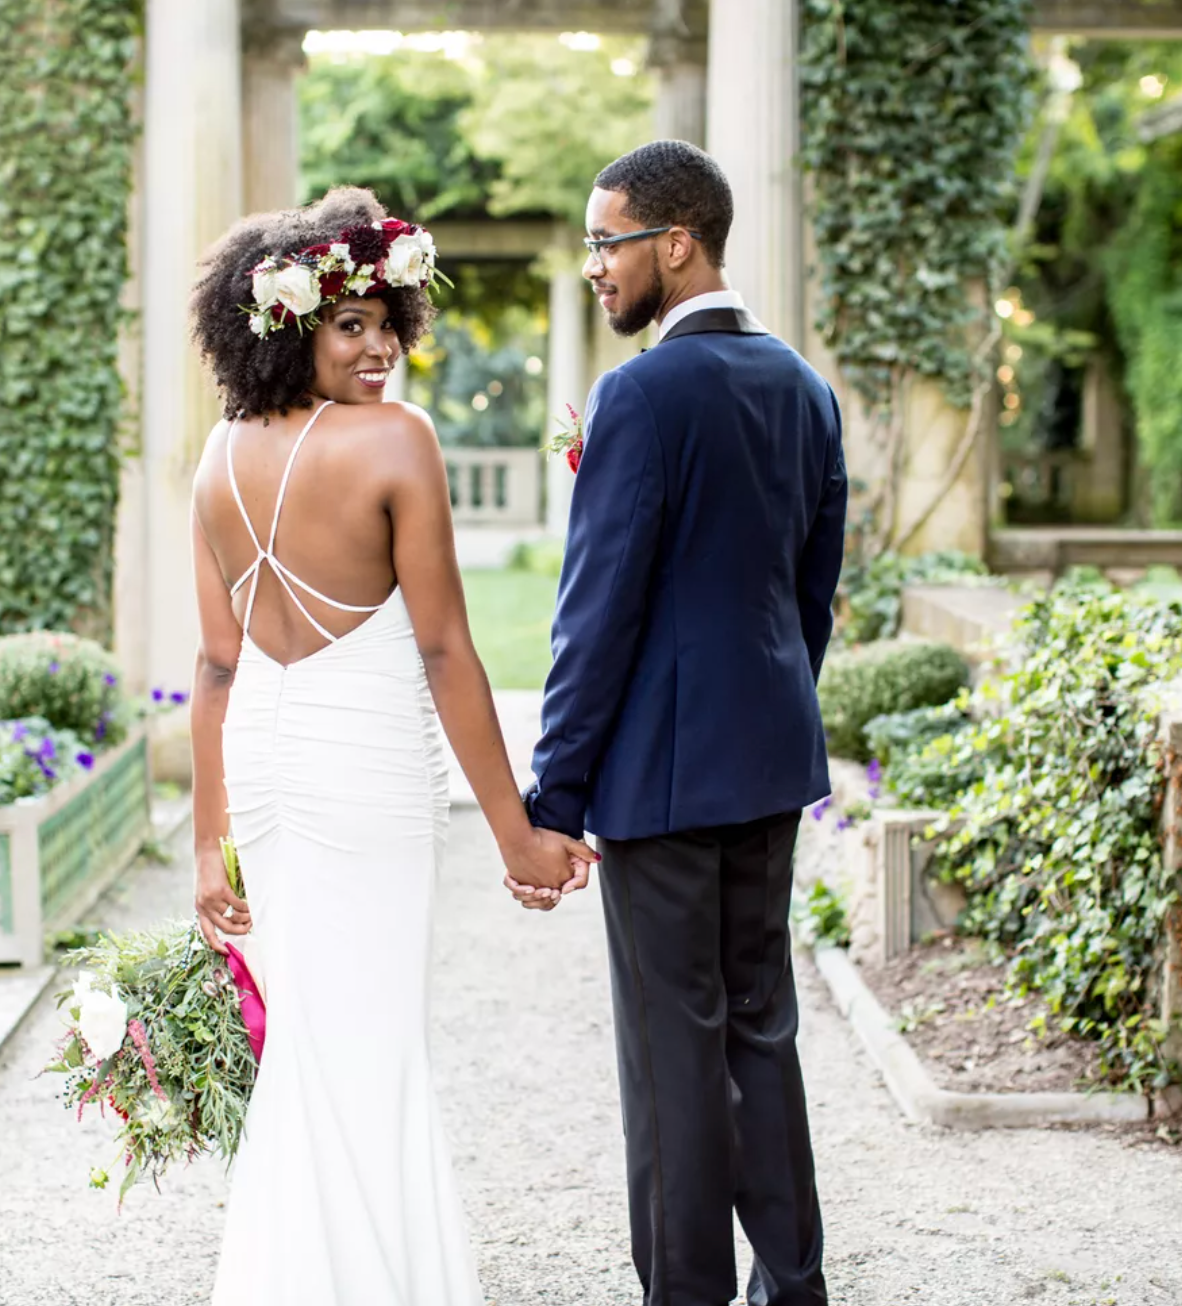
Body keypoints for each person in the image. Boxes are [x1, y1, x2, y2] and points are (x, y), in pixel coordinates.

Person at [184, 187, 596, 1306]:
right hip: (362, 771)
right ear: (286, 328)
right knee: (363, 1038)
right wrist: (518, 835)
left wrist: (207, 843)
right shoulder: (398, 443)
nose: (377, 349)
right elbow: (447, 650)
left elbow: (219, 672)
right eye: (346, 324)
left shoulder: (215, 460)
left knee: (318, 1037)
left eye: (385, 321)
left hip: (266, 771)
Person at [516, 141, 847, 1306]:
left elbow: (593, 613)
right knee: (759, 1030)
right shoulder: (803, 387)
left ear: (675, 242)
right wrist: (763, 716)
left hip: (660, 783)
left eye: (606, 242)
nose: (592, 267)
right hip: (765, 766)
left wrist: (552, 800)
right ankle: (791, 1288)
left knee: (670, 1058)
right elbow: (809, 595)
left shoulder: (643, 393)